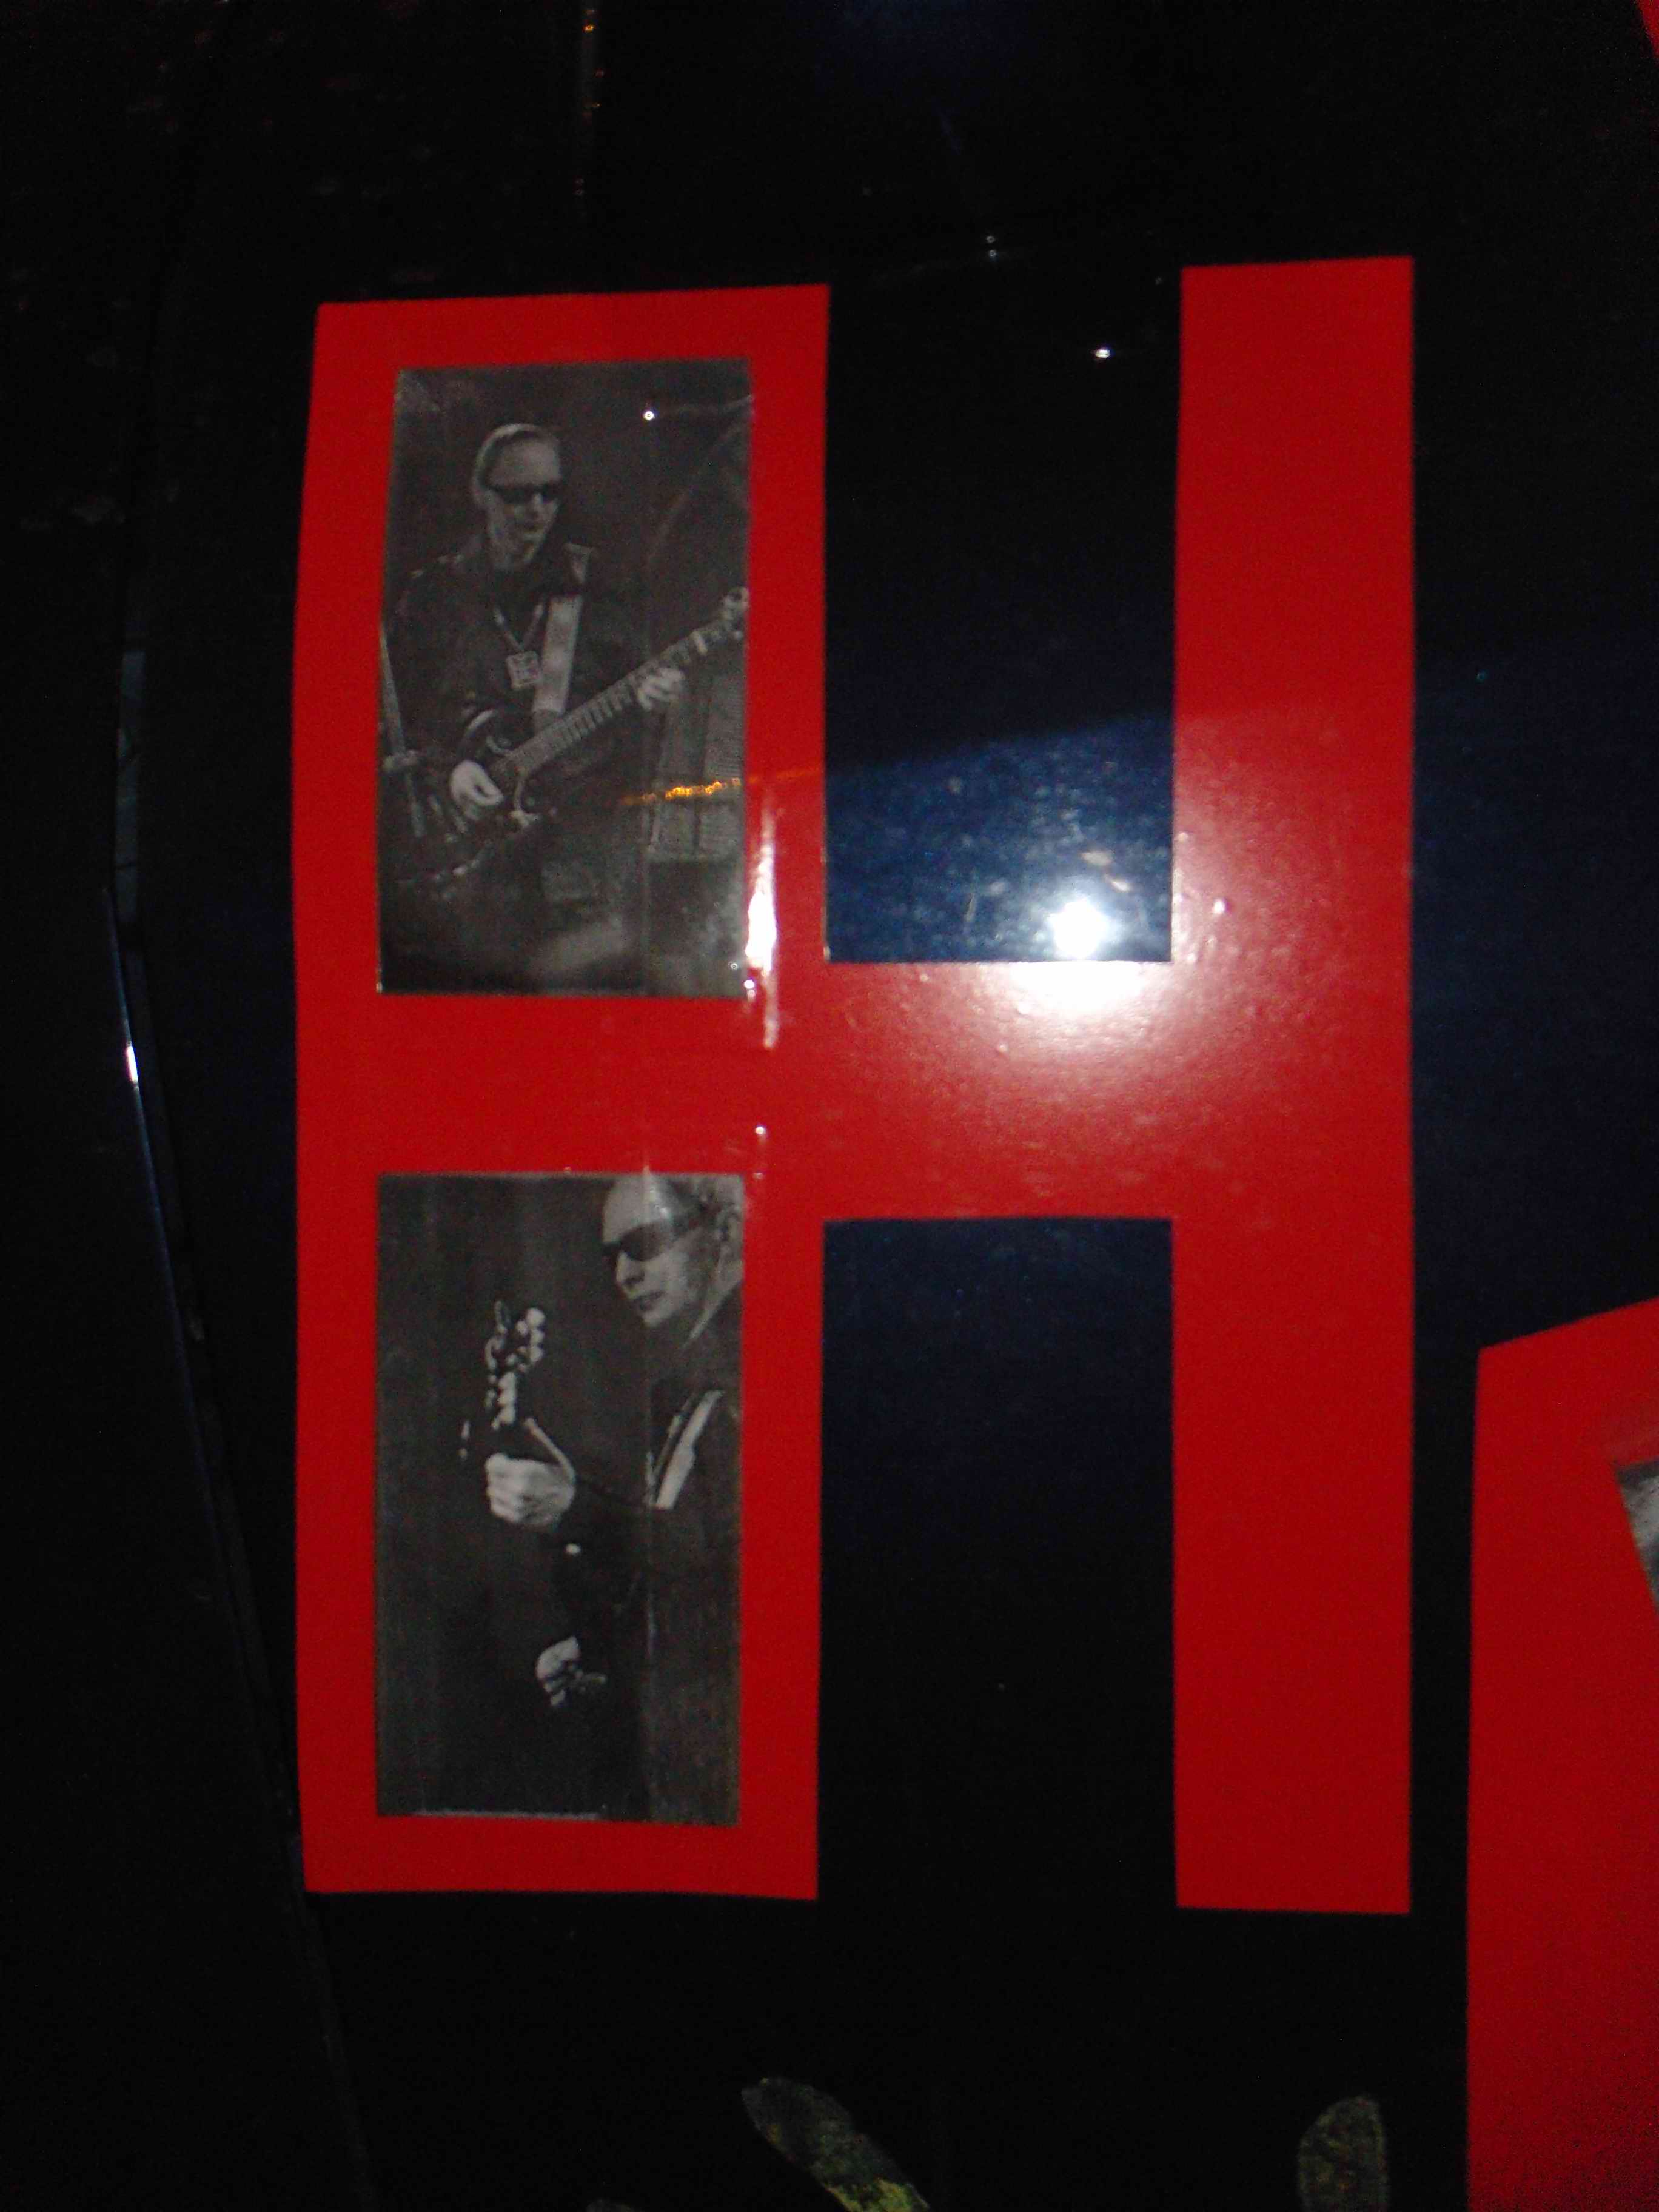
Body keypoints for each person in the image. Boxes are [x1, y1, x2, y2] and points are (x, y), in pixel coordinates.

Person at [382, 421, 685, 991]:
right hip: (466, 859)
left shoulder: (595, 586)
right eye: (518, 495)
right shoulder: (433, 596)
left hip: (581, 846)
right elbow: (399, 718)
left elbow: (638, 698)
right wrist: (450, 772)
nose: (537, 510)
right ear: (480, 493)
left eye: (550, 492)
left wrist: (656, 703)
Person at [483, 1175, 743, 1823]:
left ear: (724, 1231)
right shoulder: (693, 1378)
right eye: (612, 1257)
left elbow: (742, 1576)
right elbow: (691, 1573)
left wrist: (578, 1511)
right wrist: (605, 1648)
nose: (625, 1275)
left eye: (646, 1242)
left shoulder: (756, 1363)